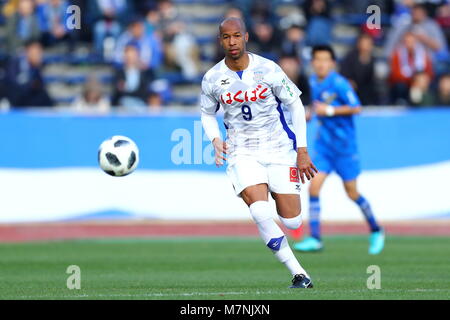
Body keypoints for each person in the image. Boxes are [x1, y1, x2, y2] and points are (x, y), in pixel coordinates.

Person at [200, 17, 317, 289]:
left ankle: (277, 188)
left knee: (292, 220)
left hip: (279, 149)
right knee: (260, 212)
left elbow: (296, 106)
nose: (232, 42)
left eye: (236, 36)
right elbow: (206, 114)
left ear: (246, 37)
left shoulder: (269, 69)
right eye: (226, 37)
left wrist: (302, 150)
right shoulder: (213, 78)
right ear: (221, 40)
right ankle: (299, 273)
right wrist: (215, 139)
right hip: (242, 152)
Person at [293, 45, 385, 255]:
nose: (321, 63)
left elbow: (357, 107)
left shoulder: (340, 83)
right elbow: (318, 106)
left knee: (352, 193)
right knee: (313, 187)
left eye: (325, 60)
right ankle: (315, 238)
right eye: (317, 60)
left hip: (345, 148)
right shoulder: (314, 81)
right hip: (325, 147)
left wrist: (331, 110)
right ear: (312, 63)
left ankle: (376, 229)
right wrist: (310, 114)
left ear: (332, 63)